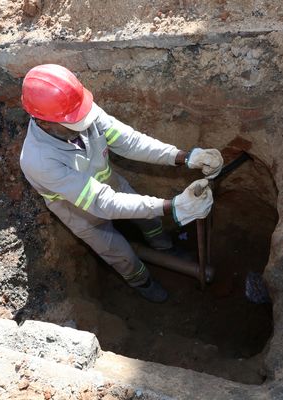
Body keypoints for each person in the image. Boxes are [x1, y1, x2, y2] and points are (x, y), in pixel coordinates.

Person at [19, 64, 223, 303]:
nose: (84, 124)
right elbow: (101, 202)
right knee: (123, 256)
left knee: (150, 219)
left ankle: (165, 248)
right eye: (75, 123)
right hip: (82, 215)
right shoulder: (38, 160)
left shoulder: (79, 113)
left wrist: (185, 157)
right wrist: (174, 206)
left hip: (112, 185)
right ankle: (144, 284)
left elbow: (129, 142)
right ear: (44, 123)